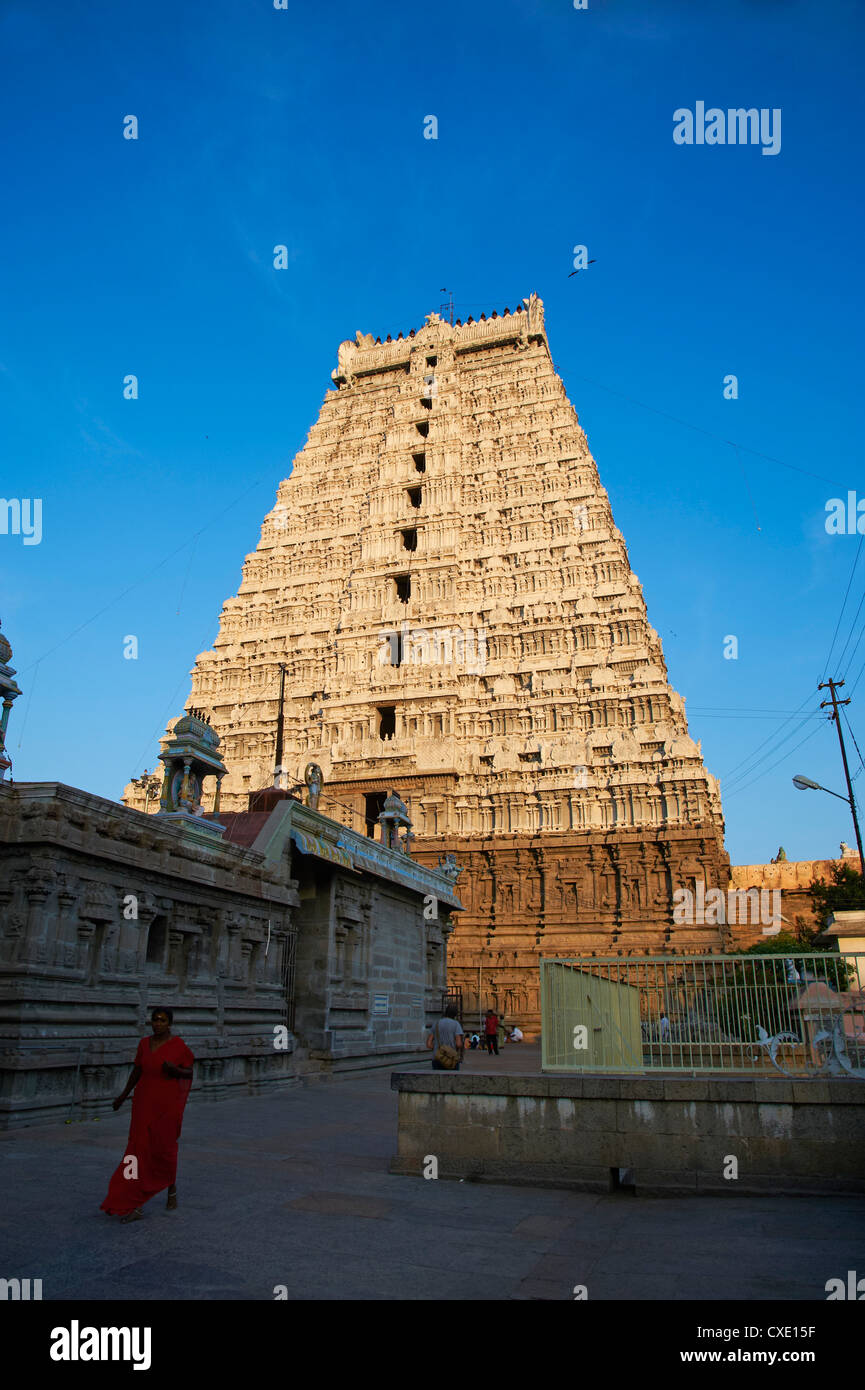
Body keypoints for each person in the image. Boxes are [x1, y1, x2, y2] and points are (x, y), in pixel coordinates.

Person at [101, 1007, 194, 1223]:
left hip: (166, 1106)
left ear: (170, 1023)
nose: (157, 1023)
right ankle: (131, 1199)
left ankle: (171, 1188)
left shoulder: (178, 1046)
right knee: (136, 1150)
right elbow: (137, 1070)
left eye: (162, 1020)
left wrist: (175, 1070)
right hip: (143, 1103)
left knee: (164, 1150)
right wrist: (123, 1095)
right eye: (154, 1020)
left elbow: (189, 1071)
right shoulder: (144, 1044)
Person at [426, 1005, 464, 1069]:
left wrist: (438, 1048)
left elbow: (429, 1044)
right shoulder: (456, 1024)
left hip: (437, 1058)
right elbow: (458, 1044)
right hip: (451, 1059)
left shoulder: (436, 1023)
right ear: (455, 1014)